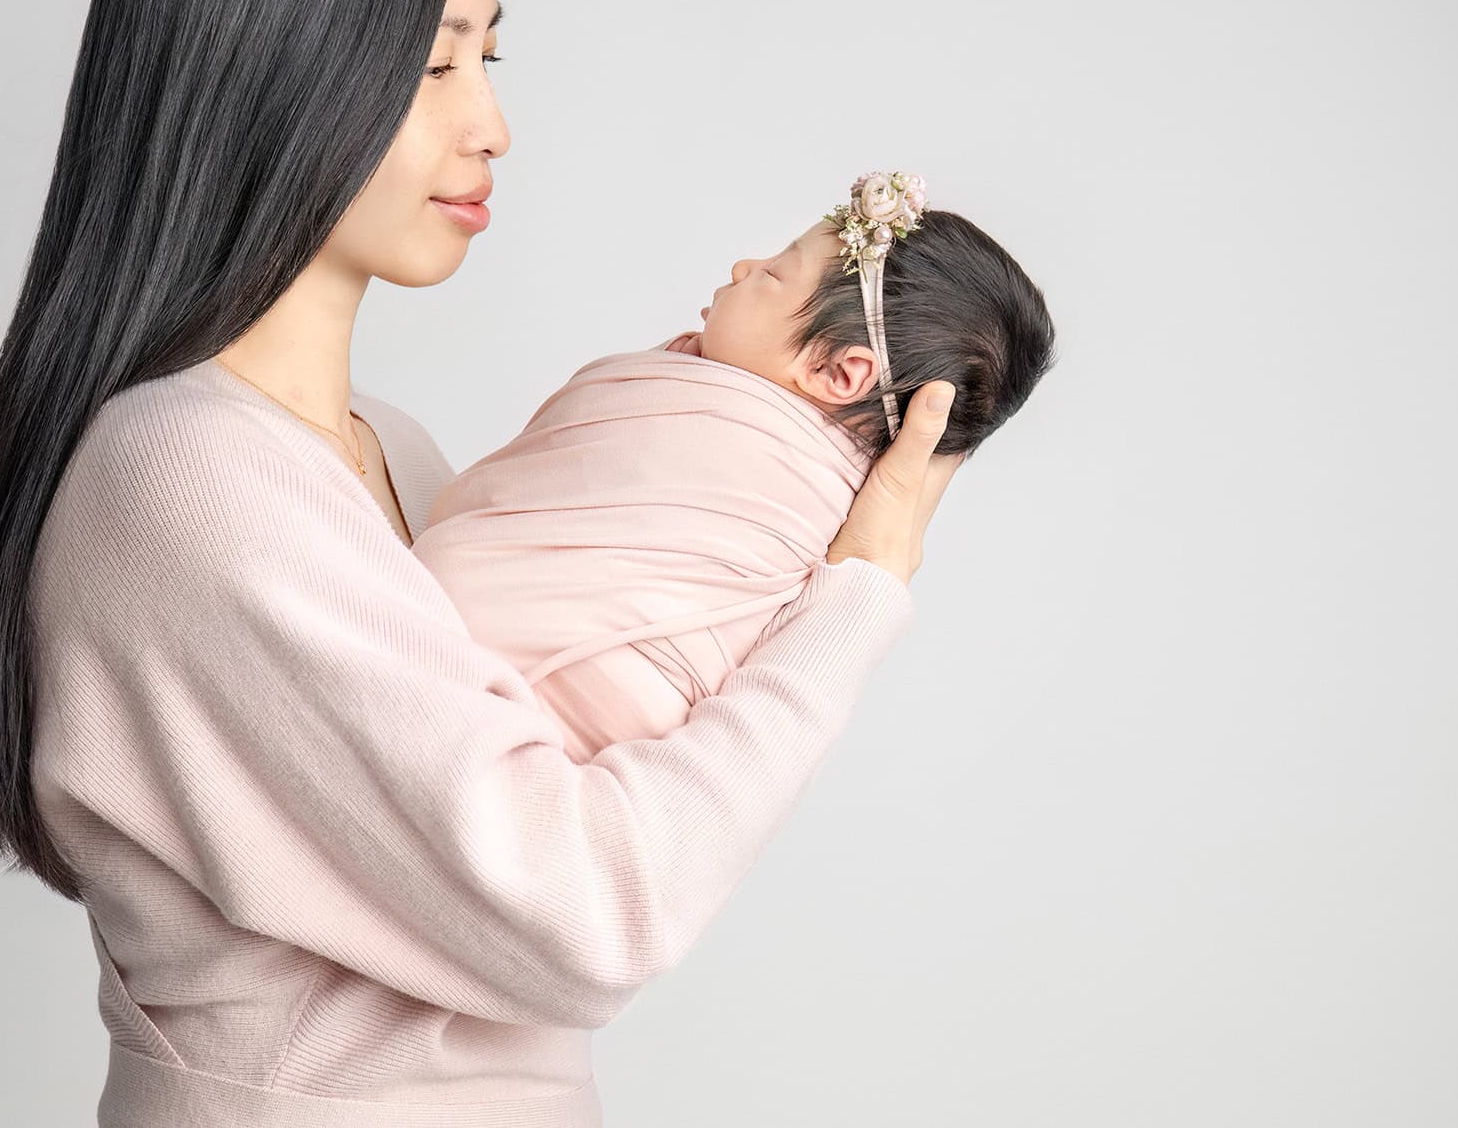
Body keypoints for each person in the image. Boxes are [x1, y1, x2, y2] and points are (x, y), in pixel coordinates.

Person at [0, 0, 964, 1126]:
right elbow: (586, 911)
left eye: (492, 60)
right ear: (277, 70)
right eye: (436, 67)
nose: (490, 126)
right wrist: (857, 594)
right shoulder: (189, 477)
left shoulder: (398, 457)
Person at [414, 185, 1056, 761]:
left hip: (521, 685)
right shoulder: (813, 491)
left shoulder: (764, 470)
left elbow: (483, 505)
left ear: (838, 373)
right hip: (617, 746)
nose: (742, 268)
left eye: (775, 272)